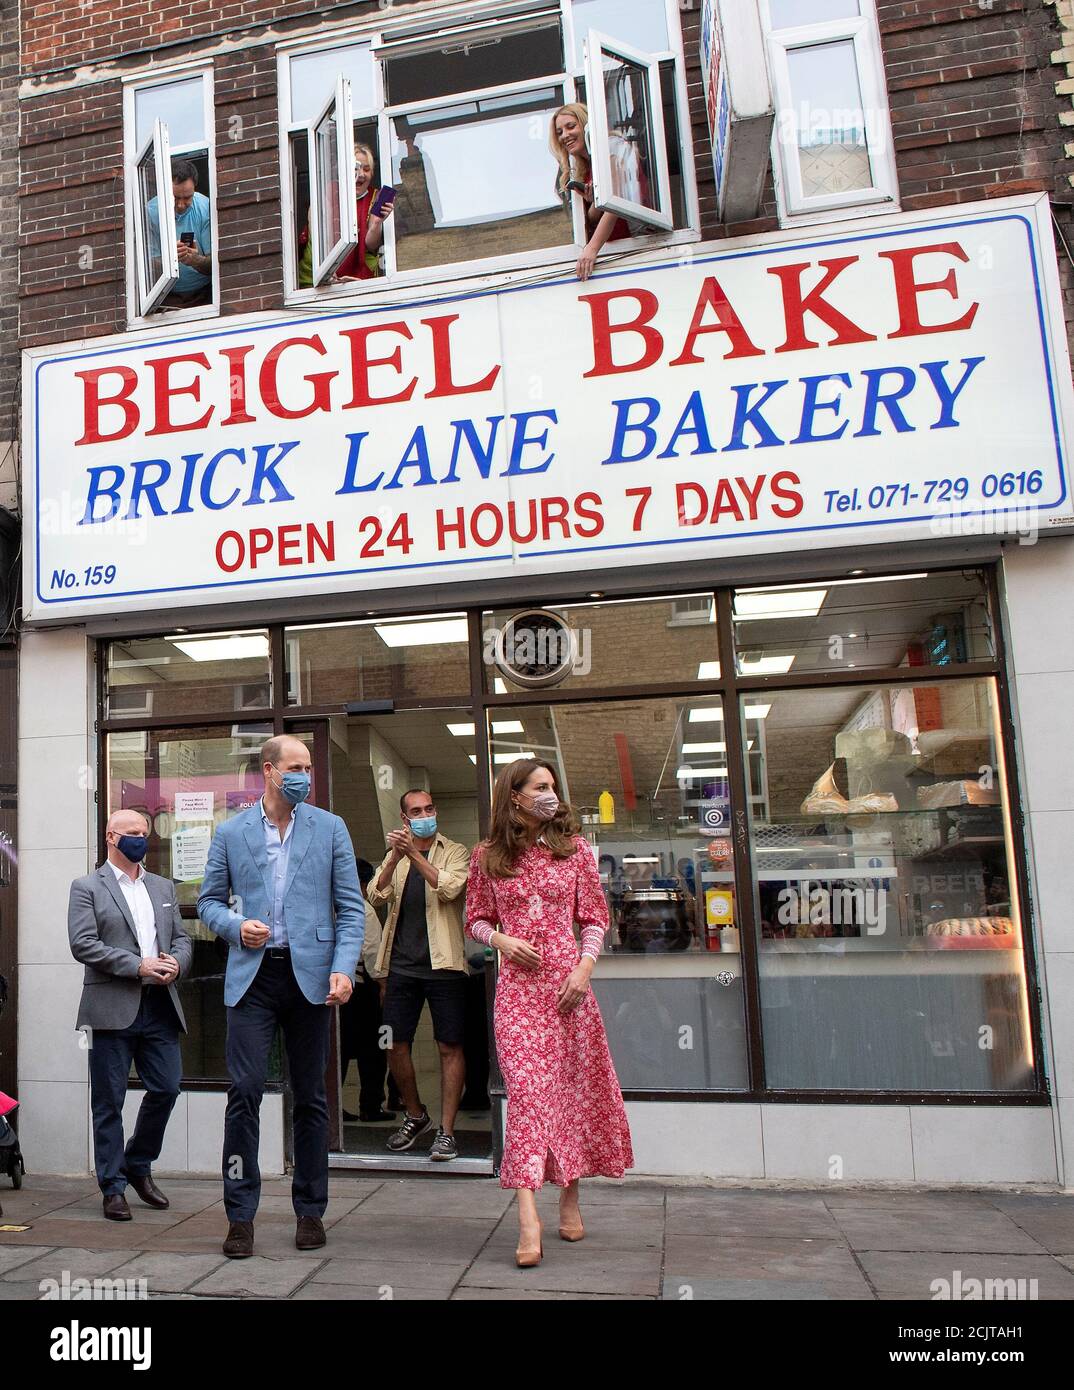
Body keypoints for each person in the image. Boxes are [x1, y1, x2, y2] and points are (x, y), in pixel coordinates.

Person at [197, 736, 363, 1258]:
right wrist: (234, 924)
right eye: (296, 767)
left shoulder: (330, 827)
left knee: (310, 1097)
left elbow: (350, 909)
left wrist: (343, 969)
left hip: (310, 978)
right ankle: (240, 1216)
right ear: (269, 771)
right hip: (253, 979)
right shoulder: (232, 832)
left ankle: (310, 1210)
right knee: (244, 1092)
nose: (305, 776)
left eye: (309, 767)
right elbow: (206, 903)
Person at [466, 759, 633, 1267]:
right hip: (518, 994)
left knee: (573, 1092)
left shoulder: (575, 850)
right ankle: (526, 1217)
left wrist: (584, 970)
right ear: (513, 796)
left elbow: (595, 918)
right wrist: (501, 940)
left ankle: (570, 1194)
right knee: (529, 1097)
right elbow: (474, 918)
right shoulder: (488, 856)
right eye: (540, 787)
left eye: (553, 786)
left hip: (569, 991)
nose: (550, 794)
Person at [67, 810, 192, 1222]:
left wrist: (176, 962)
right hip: (111, 1009)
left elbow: (181, 937)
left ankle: (137, 1162)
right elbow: (83, 945)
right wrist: (137, 965)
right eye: (132, 833)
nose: (140, 839)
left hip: (159, 1006)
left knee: (167, 1088)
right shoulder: (87, 887)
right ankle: (113, 1187)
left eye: (144, 832)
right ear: (110, 837)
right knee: (109, 1102)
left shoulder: (162, 886)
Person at [366, 789, 471, 1161]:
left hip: (445, 966)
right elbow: (375, 894)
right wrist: (396, 857)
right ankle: (415, 1115)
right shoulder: (396, 854)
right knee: (391, 1042)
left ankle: (446, 1131)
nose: (424, 814)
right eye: (416, 811)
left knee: (449, 1046)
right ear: (404, 819)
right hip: (400, 967)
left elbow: (449, 888)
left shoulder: (455, 851)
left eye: (429, 807)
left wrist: (413, 854)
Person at [550, 103, 641, 282]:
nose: (565, 135)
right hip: (616, 248)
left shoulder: (610, 147)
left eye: (570, 126)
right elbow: (593, 218)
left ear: (585, 125)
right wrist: (594, 204)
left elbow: (616, 203)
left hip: (635, 244)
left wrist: (591, 249)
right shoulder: (583, 168)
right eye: (559, 132)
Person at [338, 857, 397, 1124]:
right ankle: (370, 1105)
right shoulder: (362, 908)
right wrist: (383, 983)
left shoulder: (330, 904)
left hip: (333, 988)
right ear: (363, 883)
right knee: (372, 1051)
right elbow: (373, 950)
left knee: (337, 1051)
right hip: (361, 989)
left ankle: (332, 1106)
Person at [297, 142, 393, 287]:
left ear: (372, 174)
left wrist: (377, 223)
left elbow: (370, 246)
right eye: (355, 168)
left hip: (359, 278)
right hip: (320, 276)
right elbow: (319, 237)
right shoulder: (327, 193)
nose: (360, 174)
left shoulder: (375, 197)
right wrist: (328, 270)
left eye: (366, 169)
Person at [148, 159, 213, 309]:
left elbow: (216, 264)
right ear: (163, 189)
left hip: (205, 293)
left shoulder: (205, 207)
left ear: (195, 189)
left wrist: (195, 260)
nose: (181, 205)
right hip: (165, 296)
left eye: (187, 198)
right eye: (175, 198)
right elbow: (146, 267)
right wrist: (170, 259)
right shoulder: (150, 212)